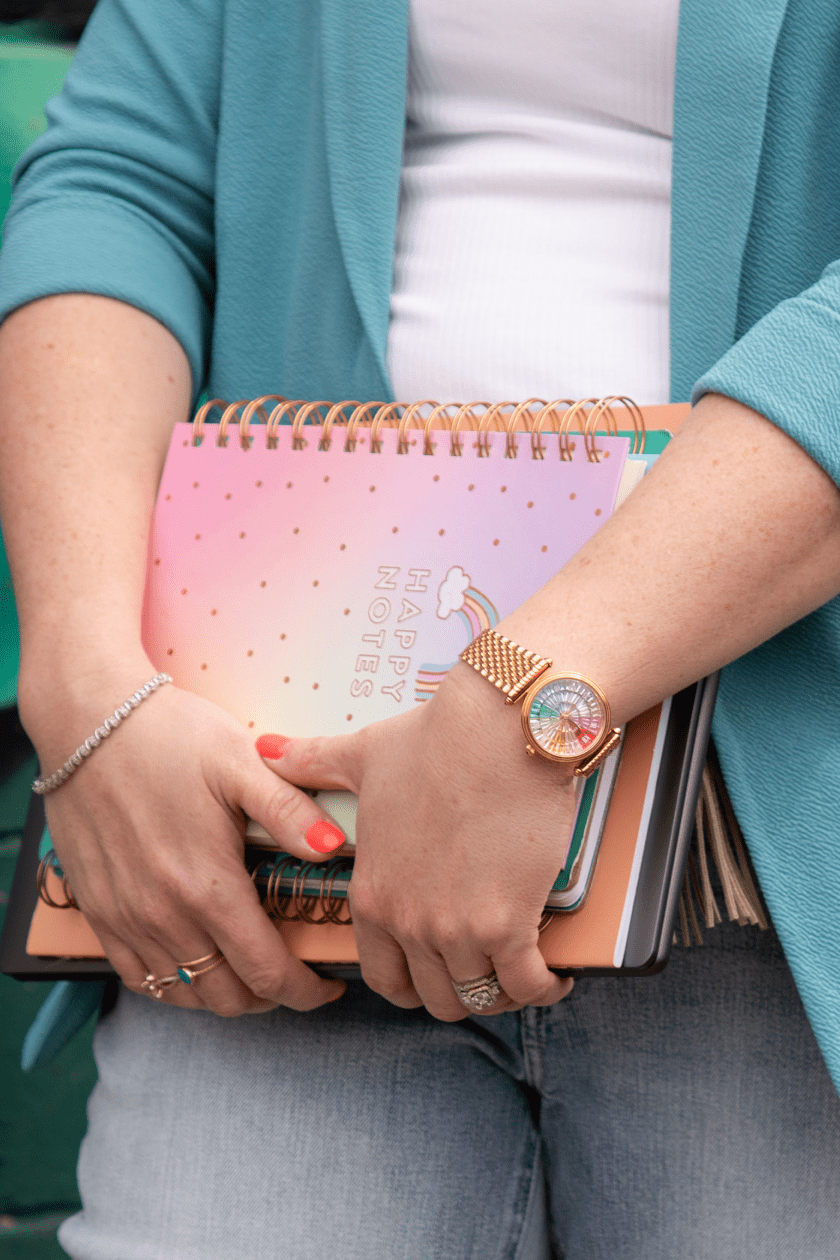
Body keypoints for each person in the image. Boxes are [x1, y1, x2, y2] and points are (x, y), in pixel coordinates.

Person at [1, 1, 840, 1256]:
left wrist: (531, 696)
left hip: (772, 847)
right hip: (284, 823)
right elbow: (121, 181)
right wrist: (77, 670)